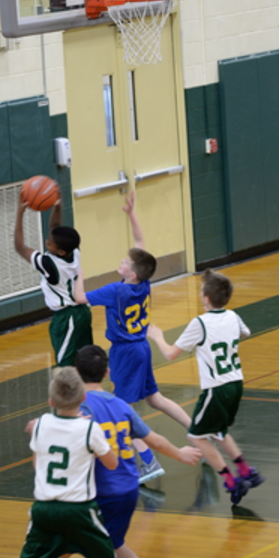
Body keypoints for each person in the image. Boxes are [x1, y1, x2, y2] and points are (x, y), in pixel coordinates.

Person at [74, 191, 192, 484]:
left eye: (126, 262)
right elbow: (141, 245)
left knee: (121, 411)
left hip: (125, 352)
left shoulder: (115, 291)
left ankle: (148, 461)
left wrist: (78, 273)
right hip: (142, 347)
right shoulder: (143, 284)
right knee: (155, 399)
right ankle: (197, 428)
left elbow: (79, 297)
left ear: (132, 274)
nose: (122, 261)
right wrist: (131, 214)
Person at [73, 345, 201, 558]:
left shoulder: (82, 409)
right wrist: (180, 453)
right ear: (107, 372)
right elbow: (155, 440)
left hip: (103, 490)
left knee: (72, 542)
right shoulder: (121, 405)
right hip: (128, 488)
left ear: (76, 372)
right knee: (115, 544)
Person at [147, 269, 264, 506]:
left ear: (206, 298)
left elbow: (170, 354)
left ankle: (231, 481)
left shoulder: (200, 323)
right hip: (235, 383)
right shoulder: (233, 316)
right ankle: (246, 470)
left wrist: (158, 337)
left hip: (216, 388)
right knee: (218, 431)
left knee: (196, 437)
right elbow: (245, 333)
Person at [18, 366, 121, 558]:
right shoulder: (90, 429)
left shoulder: (39, 425)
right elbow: (112, 464)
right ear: (83, 398)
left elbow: (38, 466)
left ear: (51, 401)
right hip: (79, 511)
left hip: (44, 510)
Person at [14, 190, 93, 366]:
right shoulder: (74, 252)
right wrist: (57, 206)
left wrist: (20, 213)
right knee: (85, 363)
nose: (46, 243)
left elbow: (20, 247)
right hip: (82, 312)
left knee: (65, 365)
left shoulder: (49, 264)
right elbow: (56, 227)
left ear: (61, 251)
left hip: (67, 317)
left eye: (49, 243)